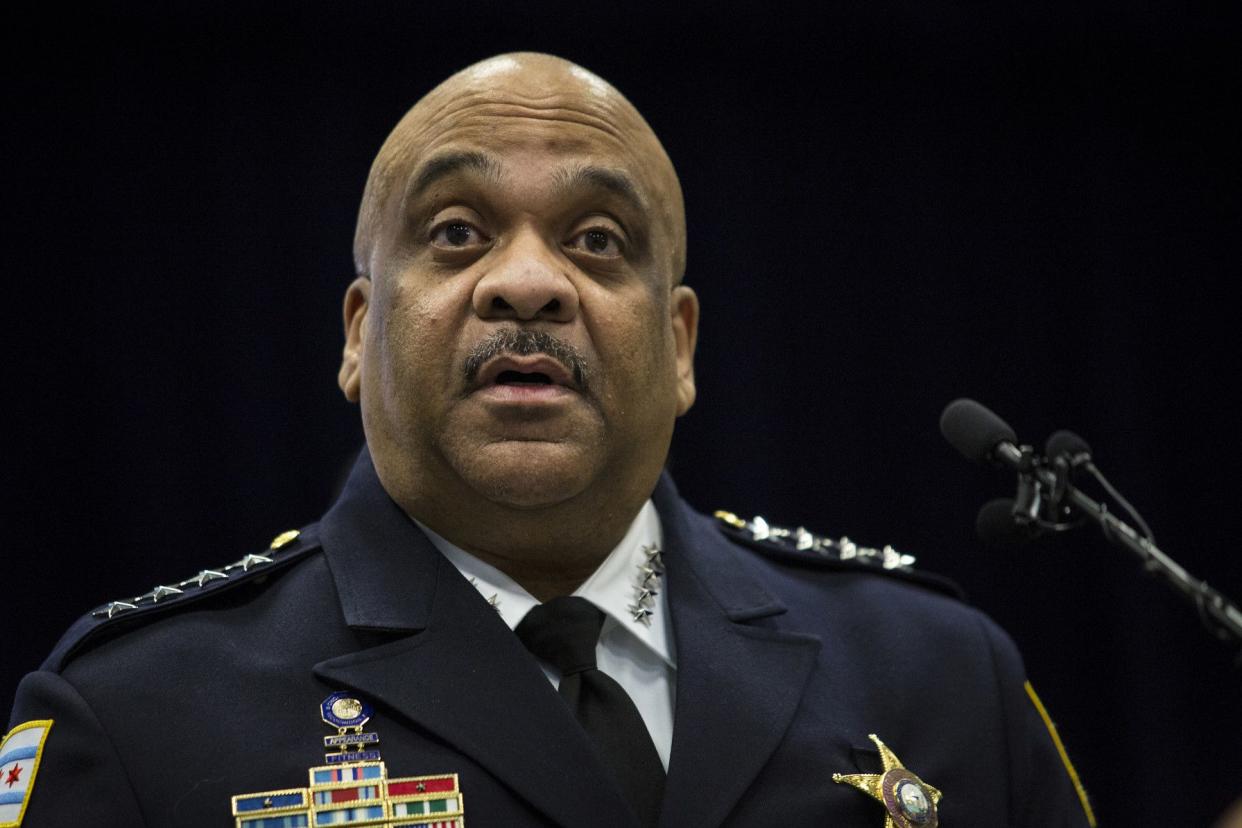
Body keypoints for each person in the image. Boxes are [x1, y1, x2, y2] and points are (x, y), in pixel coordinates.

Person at [3, 53, 1096, 827]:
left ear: (679, 347)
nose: (527, 283)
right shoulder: (139, 715)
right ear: (357, 334)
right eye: (456, 234)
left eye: (599, 241)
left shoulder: (942, 681)